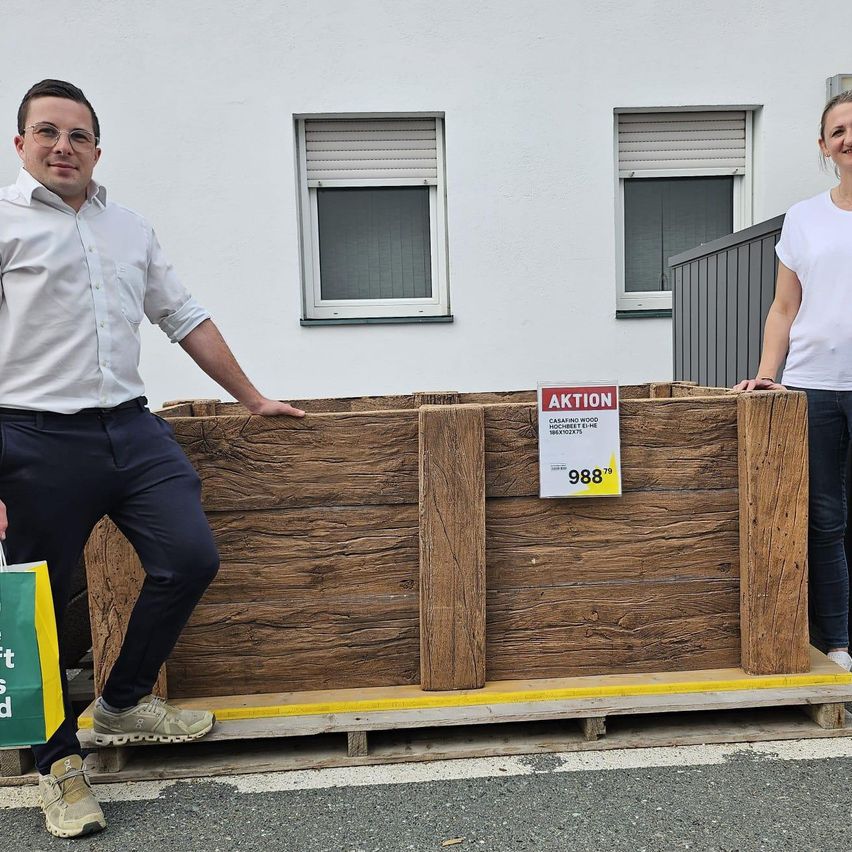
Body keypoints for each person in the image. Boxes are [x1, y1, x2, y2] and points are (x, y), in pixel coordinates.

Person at [0, 79, 305, 838]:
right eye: (47, 133)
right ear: (20, 145)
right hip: (31, 437)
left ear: (97, 149)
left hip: (129, 430)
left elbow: (182, 315)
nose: (62, 147)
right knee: (36, 605)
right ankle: (58, 766)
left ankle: (124, 700)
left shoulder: (129, 227)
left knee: (189, 556)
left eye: (77, 136)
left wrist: (252, 397)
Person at [735, 89, 852, 675]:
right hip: (815, 388)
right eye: (839, 130)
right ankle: (837, 642)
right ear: (824, 146)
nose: (849, 138)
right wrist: (765, 375)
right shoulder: (804, 218)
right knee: (826, 519)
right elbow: (784, 308)